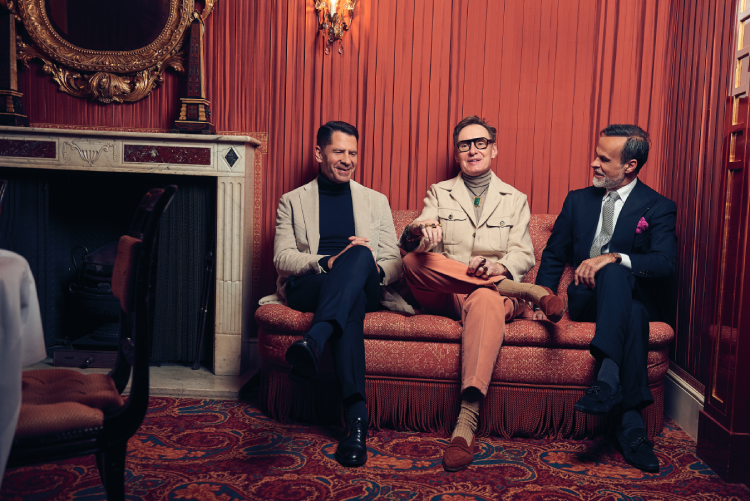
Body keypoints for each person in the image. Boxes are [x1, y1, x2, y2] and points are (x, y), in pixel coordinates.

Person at [399, 116, 565, 472]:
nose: (472, 150)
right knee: (412, 262)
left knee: (487, 298)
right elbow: (420, 231)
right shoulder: (439, 192)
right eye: (464, 144)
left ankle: (466, 423)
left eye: (480, 143)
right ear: (457, 152)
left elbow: (523, 253)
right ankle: (531, 293)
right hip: (446, 292)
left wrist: (500, 269)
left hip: (490, 294)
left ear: (494, 148)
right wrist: (420, 231)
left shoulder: (514, 199)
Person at [260, 121, 410, 468]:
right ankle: (356, 420)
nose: (347, 159)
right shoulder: (293, 201)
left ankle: (315, 339)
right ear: (319, 153)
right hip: (312, 284)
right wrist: (329, 261)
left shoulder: (375, 201)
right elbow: (282, 259)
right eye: (339, 151)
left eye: (353, 153)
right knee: (350, 297)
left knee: (360, 254)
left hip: (366, 281)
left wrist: (364, 267)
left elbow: (395, 263)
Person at [534, 124, 677, 473]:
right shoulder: (578, 200)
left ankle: (624, 415)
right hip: (587, 301)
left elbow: (664, 263)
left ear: (630, 165)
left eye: (603, 158)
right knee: (624, 297)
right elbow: (554, 255)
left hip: (633, 301)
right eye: (596, 155)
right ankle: (625, 414)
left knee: (630, 302)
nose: (593, 163)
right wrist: (540, 298)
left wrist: (612, 257)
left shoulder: (658, 206)